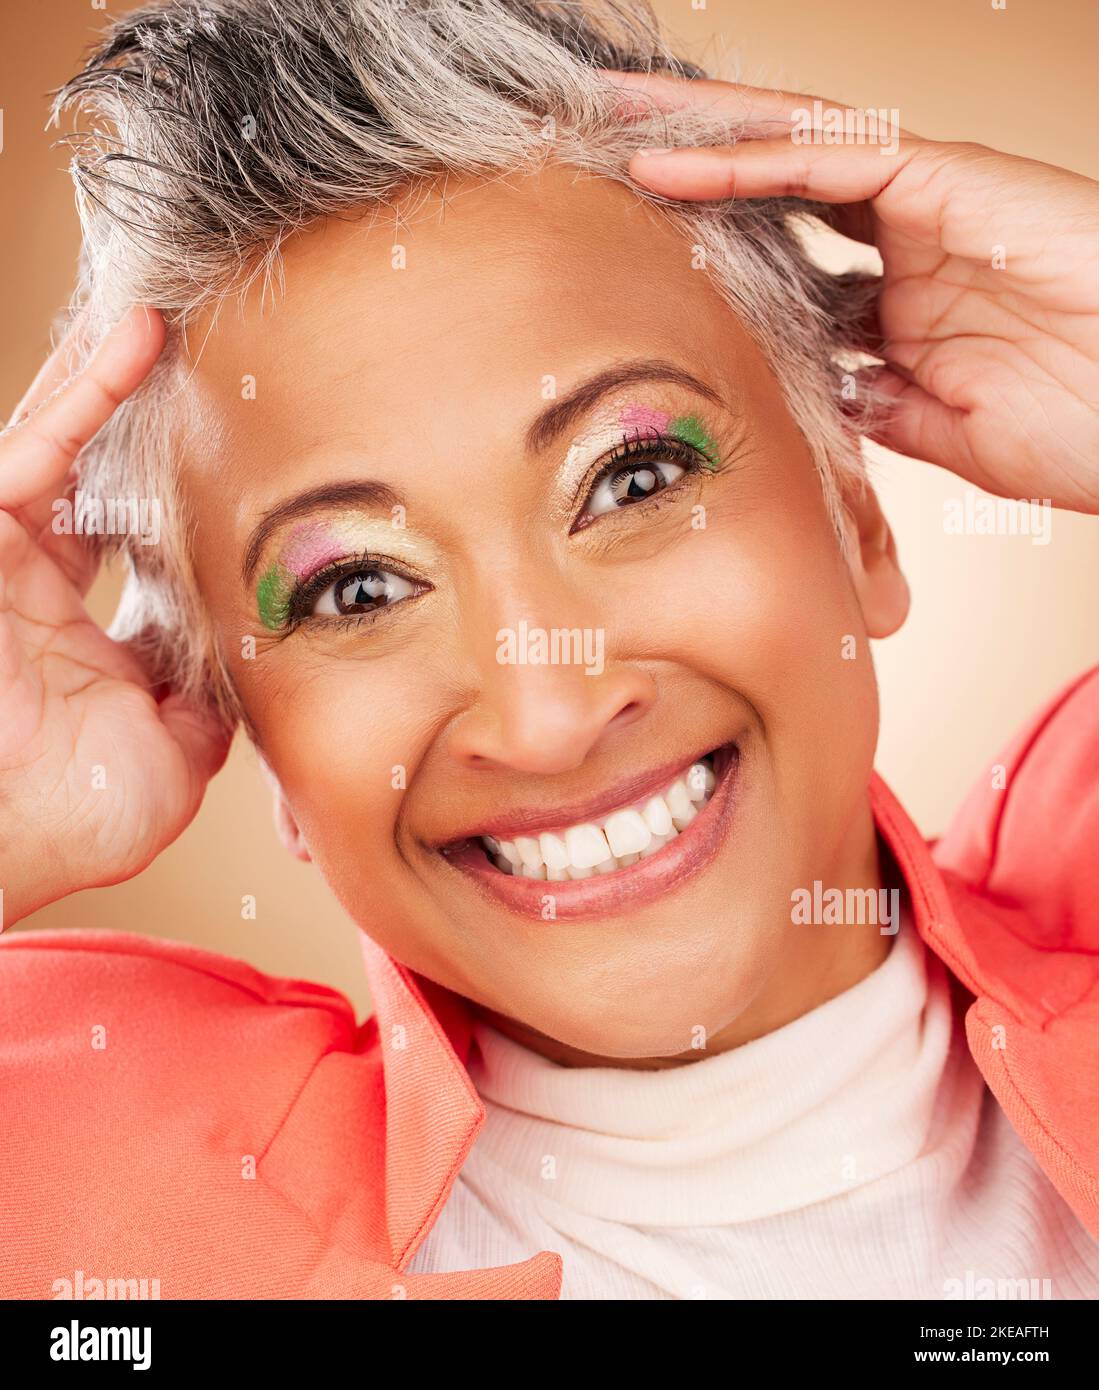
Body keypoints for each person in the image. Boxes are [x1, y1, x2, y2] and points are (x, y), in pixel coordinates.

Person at [1, 0, 1097, 1300]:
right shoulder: (80, 1186)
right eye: (357, 586)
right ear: (254, 732)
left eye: (632, 478)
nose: (546, 711)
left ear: (856, 518)